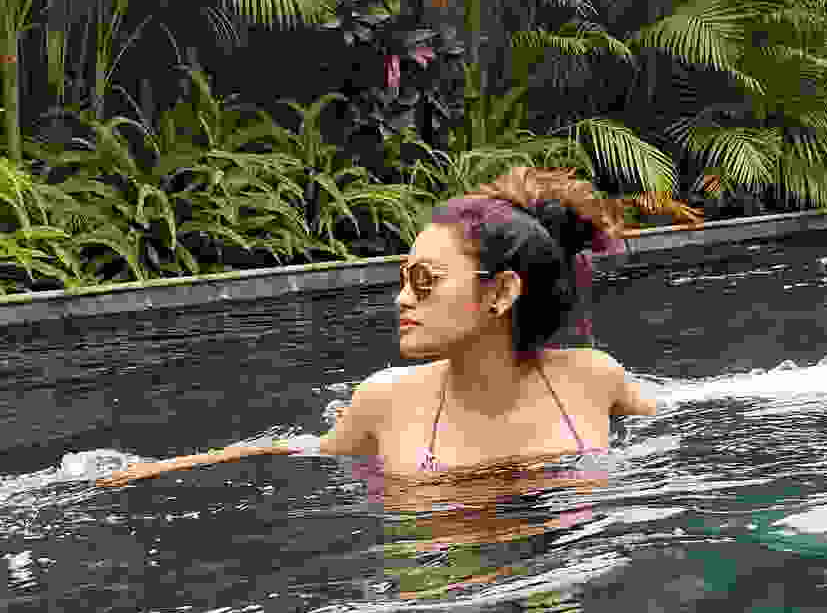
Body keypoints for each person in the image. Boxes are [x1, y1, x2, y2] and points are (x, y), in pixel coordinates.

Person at [95, 165, 658, 489]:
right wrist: (153, 470)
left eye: (424, 279)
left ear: (501, 293)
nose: (402, 298)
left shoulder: (594, 378)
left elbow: (682, 413)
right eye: (403, 278)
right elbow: (296, 451)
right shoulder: (385, 402)